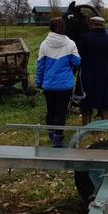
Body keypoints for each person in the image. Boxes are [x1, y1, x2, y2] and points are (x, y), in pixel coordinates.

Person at [35, 17, 80, 148]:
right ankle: (58, 139)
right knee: (61, 112)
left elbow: (40, 66)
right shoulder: (70, 43)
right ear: (63, 28)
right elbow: (77, 62)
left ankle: (51, 133)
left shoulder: (44, 44)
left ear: (50, 27)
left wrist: (39, 82)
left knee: (51, 110)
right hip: (65, 85)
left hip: (49, 85)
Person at [79, 16, 108, 125]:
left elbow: (81, 55)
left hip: (88, 74)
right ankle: (106, 125)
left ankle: (86, 125)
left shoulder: (84, 38)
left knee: (86, 102)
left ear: (92, 24)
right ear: (102, 25)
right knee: (105, 101)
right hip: (105, 74)